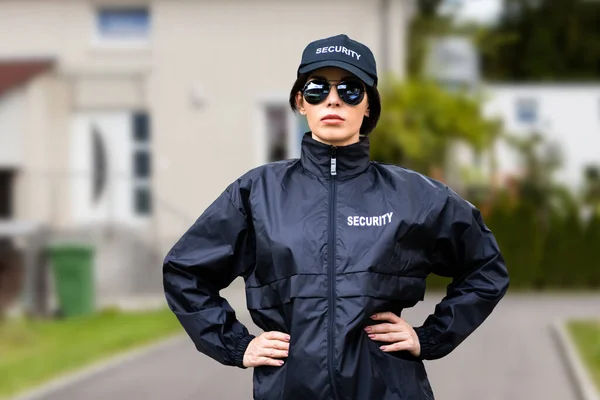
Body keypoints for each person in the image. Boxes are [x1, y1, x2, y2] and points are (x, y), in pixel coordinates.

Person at [163, 33, 509, 400]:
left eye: (350, 90)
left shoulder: (415, 197)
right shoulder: (257, 194)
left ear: (368, 107)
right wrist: (236, 345)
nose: (332, 99)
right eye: (316, 88)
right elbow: (185, 271)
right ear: (300, 102)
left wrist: (429, 337)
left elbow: (486, 268)